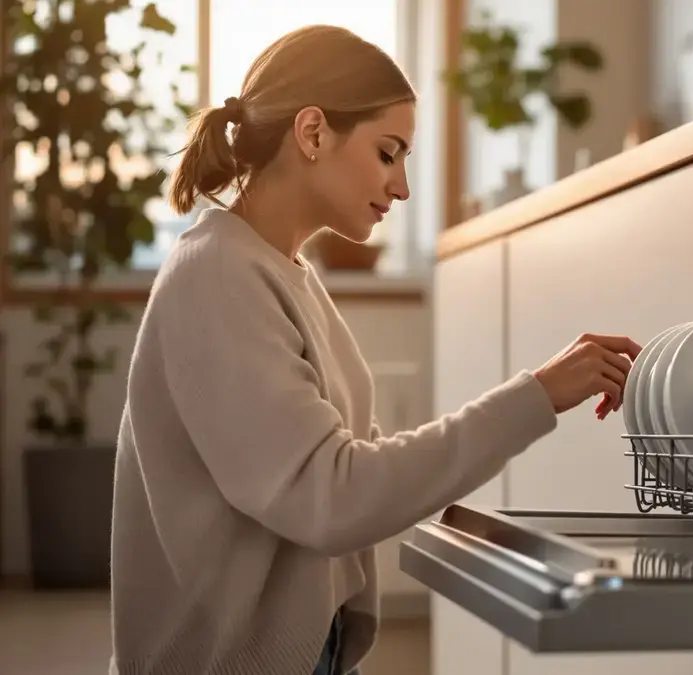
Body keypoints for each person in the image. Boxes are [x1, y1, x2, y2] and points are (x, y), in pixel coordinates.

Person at [109, 25, 640, 675]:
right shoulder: (216, 275)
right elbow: (334, 497)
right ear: (311, 133)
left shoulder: (282, 270)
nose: (403, 186)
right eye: (389, 153)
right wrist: (538, 394)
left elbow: (360, 471)